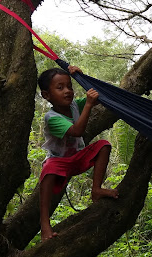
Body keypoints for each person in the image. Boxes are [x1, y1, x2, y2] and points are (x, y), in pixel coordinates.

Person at [37, 66, 118, 240]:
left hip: (78, 157)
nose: (67, 91)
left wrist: (81, 77)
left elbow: (97, 96)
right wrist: (88, 104)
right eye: (60, 88)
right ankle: (45, 225)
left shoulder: (75, 105)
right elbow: (77, 131)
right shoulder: (51, 118)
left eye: (70, 86)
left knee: (104, 145)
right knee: (47, 172)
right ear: (46, 95)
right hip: (59, 162)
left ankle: (96, 189)